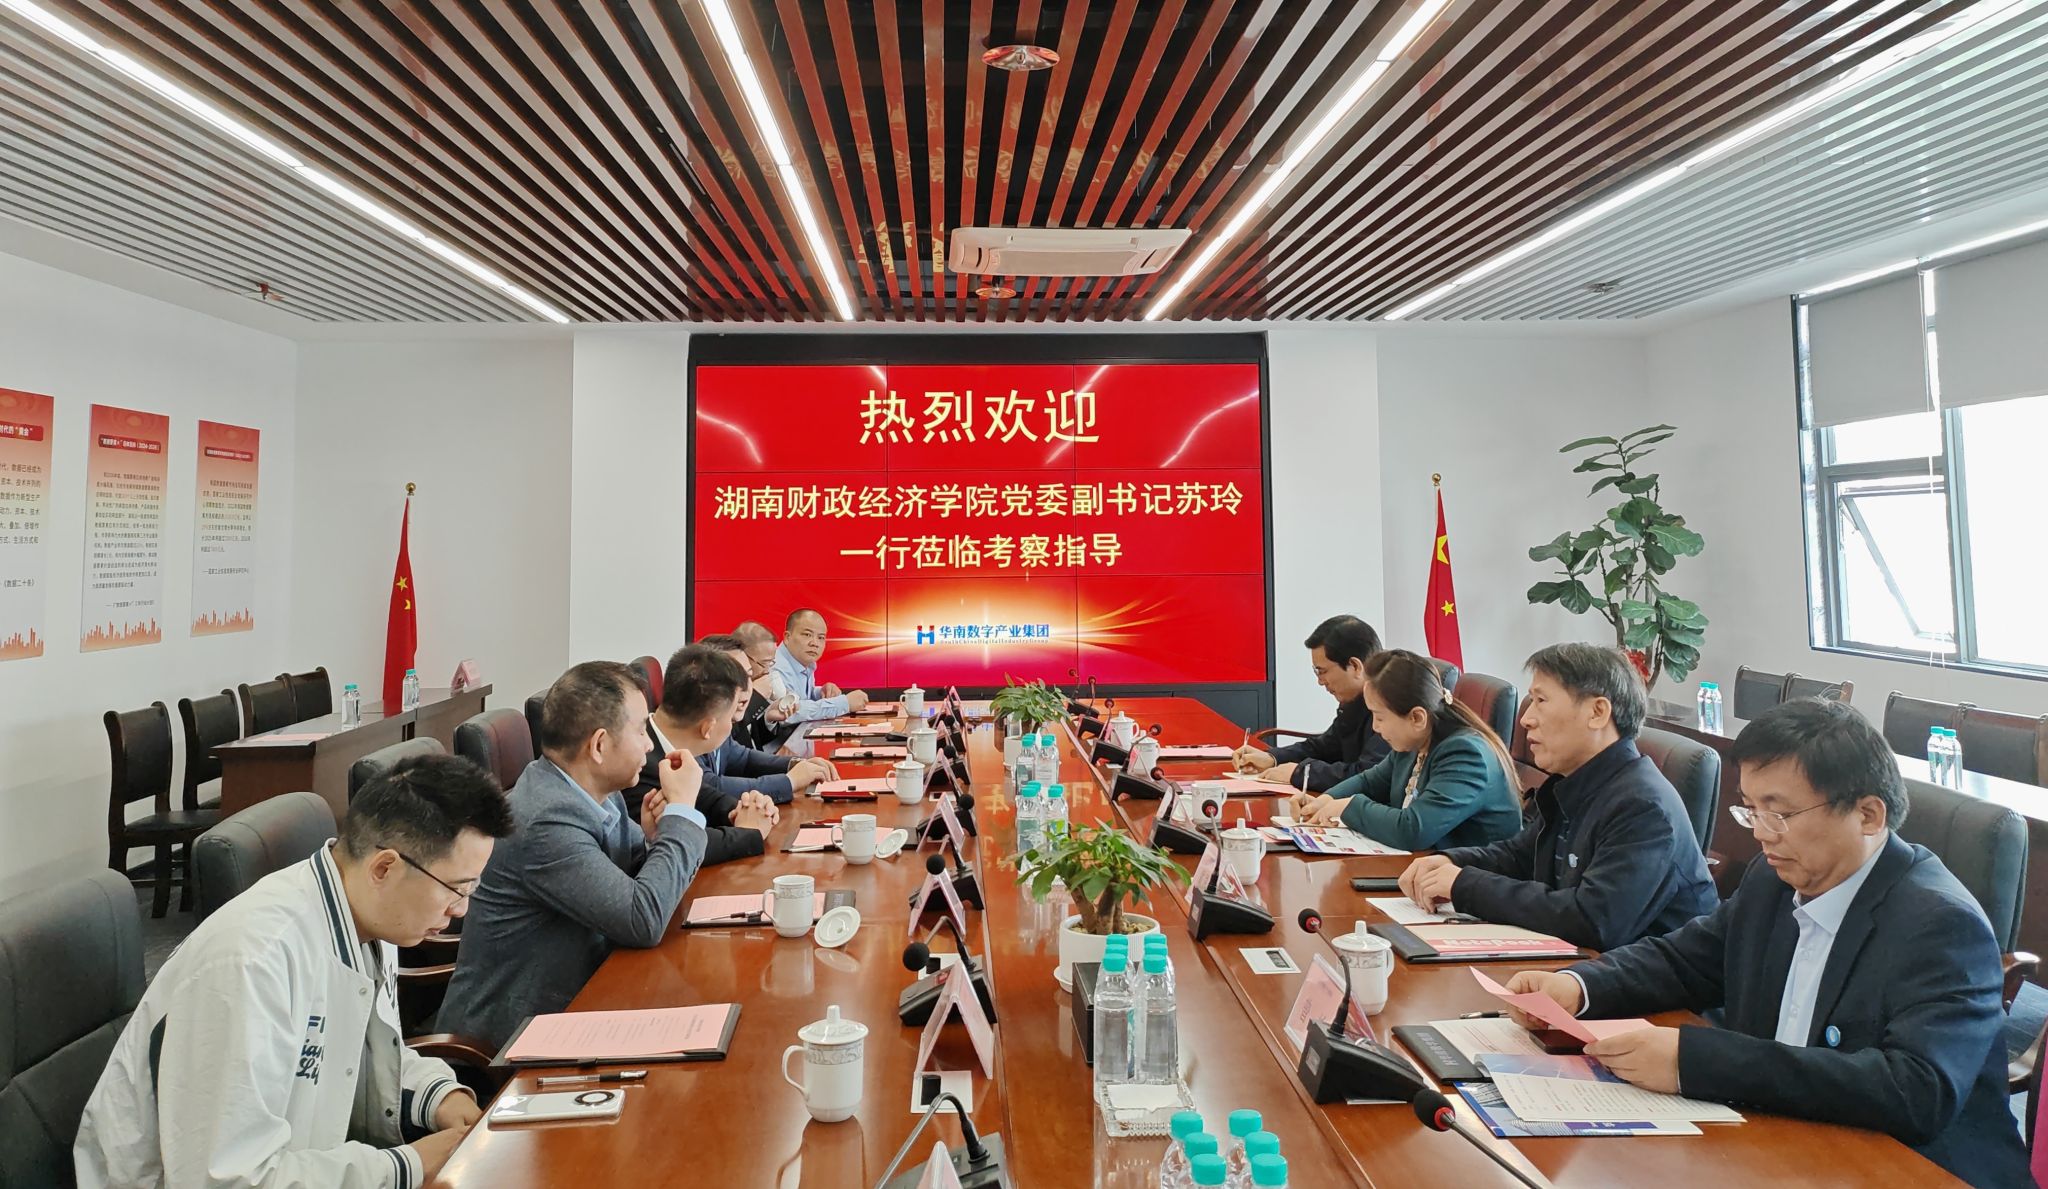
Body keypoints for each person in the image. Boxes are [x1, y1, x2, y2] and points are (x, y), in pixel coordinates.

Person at [1502, 699, 2028, 1188]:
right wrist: (1579, 986)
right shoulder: (1774, 878)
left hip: (1911, 1169)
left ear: (1868, 815)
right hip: (1783, 1141)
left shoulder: (1942, 924)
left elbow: (1915, 1090)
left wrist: (1696, 1061)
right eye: (1750, 809)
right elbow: (1687, 960)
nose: (1761, 833)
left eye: (1779, 813)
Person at [75, 754, 513, 1189]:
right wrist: (409, 1165)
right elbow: (228, 1179)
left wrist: (440, 1096)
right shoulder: (252, 963)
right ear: (385, 867)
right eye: (457, 888)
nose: (461, 910)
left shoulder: (372, 913)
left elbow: (358, 1056)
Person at [436, 658, 712, 1051]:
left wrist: (655, 841)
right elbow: (642, 918)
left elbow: (633, 879)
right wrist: (682, 811)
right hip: (513, 1042)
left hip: (585, 1000)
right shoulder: (546, 821)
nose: (650, 744)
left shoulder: (593, 791)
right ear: (599, 745)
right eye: (641, 731)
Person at [1397, 643, 1717, 949]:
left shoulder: (1643, 807)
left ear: (1597, 712)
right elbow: (1519, 857)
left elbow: (1592, 921)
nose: (1526, 719)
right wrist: (1450, 862)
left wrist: (1464, 885)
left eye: (1541, 700)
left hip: (1646, 984)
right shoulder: (1576, 781)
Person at [1290, 649, 1522, 850]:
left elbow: (1413, 830)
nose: (1375, 727)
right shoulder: (1415, 741)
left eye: (1380, 717)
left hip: (1472, 878)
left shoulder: (1465, 754)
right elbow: (1370, 781)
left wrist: (1347, 807)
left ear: (1417, 717)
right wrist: (1326, 800)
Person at [1232, 615, 1390, 792]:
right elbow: (1323, 747)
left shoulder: (1391, 707)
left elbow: (1367, 777)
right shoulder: (1354, 703)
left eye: (1322, 671)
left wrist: (1301, 773)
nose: (1320, 682)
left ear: (1355, 666)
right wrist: (1272, 758)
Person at [688, 633, 835, 806]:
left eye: (748, 676)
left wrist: (796, 764)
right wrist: (790, 781)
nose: (746, 688)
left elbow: (743, 758)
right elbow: (712, 787)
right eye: (735, 680)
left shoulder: (720, 722)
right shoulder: (689, 726)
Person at [772, 607, 870, 721]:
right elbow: (788, 712)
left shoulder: (803, 661)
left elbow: (800, 697)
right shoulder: (774, 666)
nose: (815, 643)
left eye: (821, 637)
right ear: (787, 637)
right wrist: (844, 703)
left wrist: (819, 693)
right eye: (807, 635)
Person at [734, 619, 793, 747]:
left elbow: (751, 741)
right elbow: (729, 736)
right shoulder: (724, 689)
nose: (767, 671)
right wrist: (756, 696)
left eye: (771, 662)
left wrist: (768, 718)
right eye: (764, 663)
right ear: (742, 657)